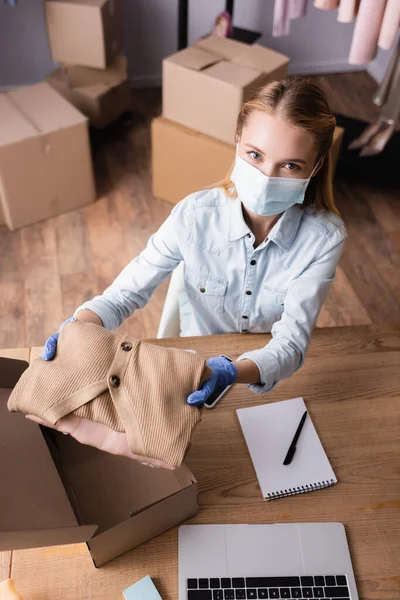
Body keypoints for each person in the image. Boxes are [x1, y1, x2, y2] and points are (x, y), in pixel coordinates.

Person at [43, 78, 346, 406]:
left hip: (263, 366)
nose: (266, 177)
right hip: (193, 354)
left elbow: (289, 344)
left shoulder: (323, 240)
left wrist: (231, 371)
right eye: (255, 155)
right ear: (237, 141)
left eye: (290, 165)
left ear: (315, 167)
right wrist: (78, 328)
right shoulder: (194, 215)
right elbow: (123, 295)